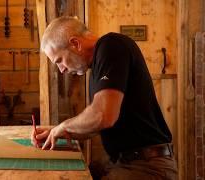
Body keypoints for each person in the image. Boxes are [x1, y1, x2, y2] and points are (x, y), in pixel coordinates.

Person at [31, 16, 177, 180]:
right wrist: (55, 132)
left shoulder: (111, 45)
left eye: (60, 61)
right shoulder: (98, 65)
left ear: (76, 44)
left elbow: (103, 116)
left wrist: (64, 127)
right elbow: (96, 123)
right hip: (123, 160)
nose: (62, 70)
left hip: (147, 166)